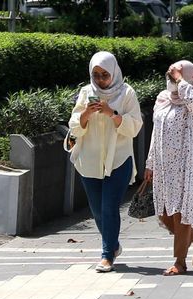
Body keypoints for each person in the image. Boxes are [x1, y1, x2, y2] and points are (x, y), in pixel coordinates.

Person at [68, 51, 143, 273]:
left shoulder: (127, 93)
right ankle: (113, 244)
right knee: (97, 210)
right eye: (96, 74)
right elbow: (74, 126)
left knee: (109, 207)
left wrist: (112, 113)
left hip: (118, 159)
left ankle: (106, 255)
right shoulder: (86, 92)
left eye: (105, 75)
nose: (100, 80)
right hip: (89, 161)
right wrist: (86, 115)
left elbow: (135, 126)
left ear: (114, 72)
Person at [144, 60, 193, 276]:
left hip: (186, 165)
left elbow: (191, 103)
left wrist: (181, 80)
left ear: (190, 77)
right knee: (165, 214)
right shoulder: (163, 100)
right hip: (164, 166)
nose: (173, 81)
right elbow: (155, 133)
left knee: (180, 213)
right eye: (171, 77)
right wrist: (150, 163)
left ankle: (179, 262)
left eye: (178, 77)